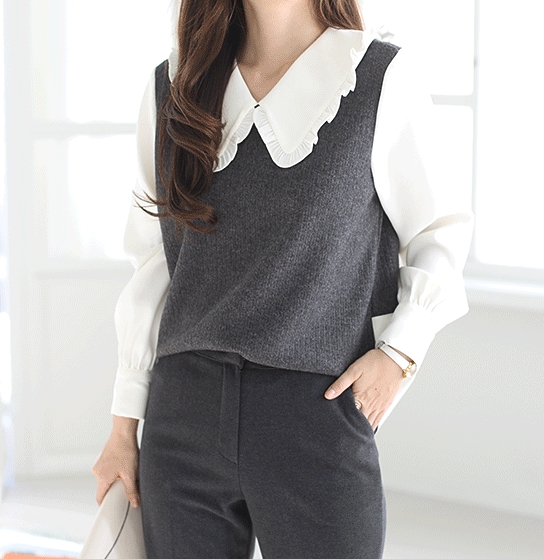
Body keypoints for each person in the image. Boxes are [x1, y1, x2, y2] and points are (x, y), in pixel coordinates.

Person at [92, 0, 475, 557]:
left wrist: (398, 355)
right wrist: (123, 428)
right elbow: (153, 266)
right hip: (183, 416)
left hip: (314, 416)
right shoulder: (174, 87)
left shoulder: (377, 76)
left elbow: (440, 232)